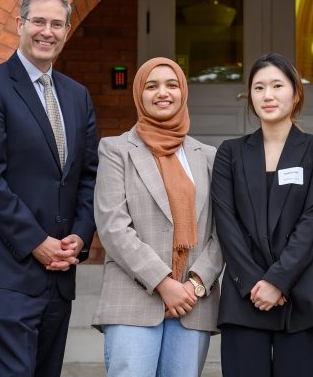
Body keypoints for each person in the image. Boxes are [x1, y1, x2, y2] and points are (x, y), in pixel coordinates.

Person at [0, 0, 98, 376]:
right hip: (6, 268)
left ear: (67, 31)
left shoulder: (77, 96)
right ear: (20, 24)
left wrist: (81, 236)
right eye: (38, 21)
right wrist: (36, 242)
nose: (46, 32)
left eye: (57, 24)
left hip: (59, 274)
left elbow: (88, 175)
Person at [92, 57, 223, 377]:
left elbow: (222, 231)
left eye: (171, 85)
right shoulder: (115, 149)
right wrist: (164, 283)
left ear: (184, 92)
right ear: (139, 94)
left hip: (193, 303)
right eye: (152, 86)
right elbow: (113, 226)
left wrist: (195, 284)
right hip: (133, 299)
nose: (162, 93)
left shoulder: (207, 156)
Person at [211, 53, 313, 377]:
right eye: (259, 87)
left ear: (295, 94)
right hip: (244, 295)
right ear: (250, 97)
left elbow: (311, 224)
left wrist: (277, 281)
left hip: (301, 293)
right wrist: (255, 282)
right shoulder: (230, 152)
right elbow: (226, 223)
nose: (268, 95)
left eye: (277, 85)